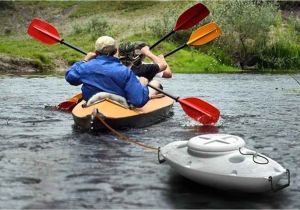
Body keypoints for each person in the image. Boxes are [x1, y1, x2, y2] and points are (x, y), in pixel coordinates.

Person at [65, 36, 149, 108]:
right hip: (119, 107)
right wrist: (143, 85)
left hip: (91, 104)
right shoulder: (125, 71)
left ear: (96, 52)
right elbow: (138, 101)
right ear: (115, 51)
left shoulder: (85, 67)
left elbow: (70, 78)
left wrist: (84, 60)